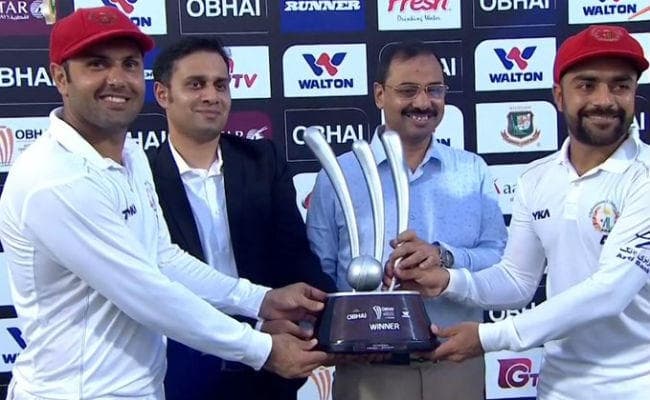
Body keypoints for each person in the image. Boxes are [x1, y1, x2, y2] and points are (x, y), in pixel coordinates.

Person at [0, 7, 329, 400]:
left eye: (129, 64)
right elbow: (145, 291)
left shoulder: (132, 156)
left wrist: (259, 299)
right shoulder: (55, 178)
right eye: (97, 64)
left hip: (142, 389)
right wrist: (263, 349)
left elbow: (161, 257)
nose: (117, 79)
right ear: (60, 77)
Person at [387, 25, 650, 399]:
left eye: (620, 86)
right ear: (559, 96)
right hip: (558, 388)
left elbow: (610, 292)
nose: (604, 99)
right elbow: (517, 280)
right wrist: (447, 281)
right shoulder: (537, 178)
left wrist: (489, 336)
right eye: (587, 85)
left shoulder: (645, 176)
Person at [306, 41, 508, 400]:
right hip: (369, 374)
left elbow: (501, 262)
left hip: (455, 369)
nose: (423, 102)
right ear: (379, 95)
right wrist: (357, 312)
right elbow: (318, 273)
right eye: (408, 90)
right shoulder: (338, 176)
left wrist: (444, 258)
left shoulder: (471, 170)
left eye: (434, 90)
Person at [147, 37, 337, 400]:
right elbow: (154, 283)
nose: (211, 96)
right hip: (179, 369)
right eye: (196, 84)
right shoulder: (140, 176)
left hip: (267, 366)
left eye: (221, 85)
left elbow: (294, 256)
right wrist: (254, 323)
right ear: (162, 94)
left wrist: (339, 315)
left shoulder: (263, 160)